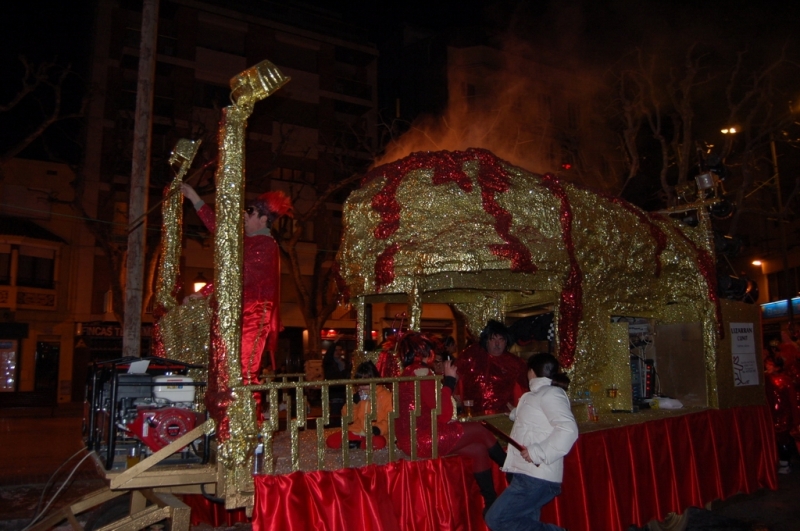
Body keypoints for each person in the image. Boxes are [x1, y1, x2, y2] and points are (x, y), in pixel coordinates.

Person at [180, 183, 293, 387]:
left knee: (243, 371)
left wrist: (204, 292)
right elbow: (220, 231)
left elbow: (239, 273)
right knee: (227, 369)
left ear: (263, 219)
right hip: (238, 312)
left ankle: (246, 407)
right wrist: (194, 198)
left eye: (251, 211)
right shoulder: (247, 241)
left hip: (253, 315)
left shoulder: (266, 245)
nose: (244, 215)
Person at [394, 332, 507, 513]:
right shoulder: (421, 372)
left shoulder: (408, 373)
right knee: (480, 428)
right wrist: (449, 381)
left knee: (478, 449)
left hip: (414, 439)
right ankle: (512, 470)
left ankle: (491, 502)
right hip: (424, 438)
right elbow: (443, 414)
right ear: (425, 351)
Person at [485, 353, 579, 531]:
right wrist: (515, 413)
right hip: (529, 474)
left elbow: (568, 429)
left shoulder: (551, 393)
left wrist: (538, 452)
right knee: (522, 522)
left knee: (496, 519)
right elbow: (535, 419)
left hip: (536, 475)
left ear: (532, 372)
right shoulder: (536, 395)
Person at [457, 320, 529, 415]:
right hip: (475, 415)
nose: (497, 343)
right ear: (486, 341)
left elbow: (525, 390)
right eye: (493, 339)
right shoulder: (472, 356)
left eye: (501, 339)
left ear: (506, 342)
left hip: (503, 416)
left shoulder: (516, 363)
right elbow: (456, 376)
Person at [325, 361, 392, 450]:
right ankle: (359, 444)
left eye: (366, 380)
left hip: (376, 433)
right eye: (360, 381)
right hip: (358, 431)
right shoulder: (357, 395)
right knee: (331, 441)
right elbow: (347, 418)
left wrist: (378, 429)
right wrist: (354, 402)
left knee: (379, 442)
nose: (363, 385)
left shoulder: (386, 396)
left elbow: (391, 419)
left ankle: (357, 445)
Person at [323, 342, 352, 424]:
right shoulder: (329, 363)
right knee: (335, 415)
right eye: (336, 350)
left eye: (340, 350)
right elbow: (327, 356)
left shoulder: (345, 363)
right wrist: (334, 343)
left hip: (344, 393)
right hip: (333, 393)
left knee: (344, 414)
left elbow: (347, 375)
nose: (338, 352)